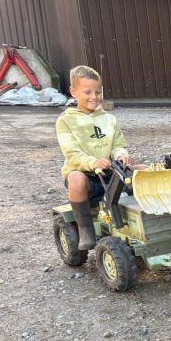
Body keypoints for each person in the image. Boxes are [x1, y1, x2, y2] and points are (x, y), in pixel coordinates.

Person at [56, 65, 138, 250]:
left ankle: (141, 221)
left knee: (143, 170)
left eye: (98, 91)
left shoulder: (109, 119)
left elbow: (118, 145)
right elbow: (72, 152)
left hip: (110, 173)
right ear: (73, 91)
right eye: (88, 92)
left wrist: (122, 155)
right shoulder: (66, 120)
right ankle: (86, 230)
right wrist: (92, 162)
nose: (94, 96)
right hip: (88, 177)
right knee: (76, 179)